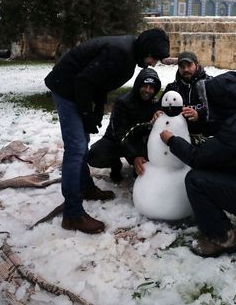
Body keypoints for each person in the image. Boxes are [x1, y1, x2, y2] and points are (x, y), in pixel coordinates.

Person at [44, 28, 170, 234]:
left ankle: (84, 186)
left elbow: (101, 84)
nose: (153, 63)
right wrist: (86, 113)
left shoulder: (128, 56)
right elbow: (84, 80)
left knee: (81, 144)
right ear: (146, 49)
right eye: (154, 57)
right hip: (66, 88)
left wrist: (96, 112)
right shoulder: (121, 53)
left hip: (78, 89)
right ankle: (72, 214)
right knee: (76, 148)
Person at [159, 72, 236, 257]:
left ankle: (222, 238)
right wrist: (196, 118)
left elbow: (198, 158)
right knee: (219, 170)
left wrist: (172, 141)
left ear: (223, 100)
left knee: (196, 180)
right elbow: (220, 126)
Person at [86, 67, 161, 183]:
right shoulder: (123, 102)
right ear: (137, 85)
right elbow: (120, 134)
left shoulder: (155, 104)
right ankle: (115, 164)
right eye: (144, 86)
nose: (147, 90)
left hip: (140, 142)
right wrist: (135, 156)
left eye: (151, 88)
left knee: (145, 170)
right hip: (117, 140)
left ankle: (140, 165)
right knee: (95, 156)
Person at [158, 51, 212, 135]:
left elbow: (221, 111)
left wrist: (199, 115)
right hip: (177, 138)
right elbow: (160, 109)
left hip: (206, 137)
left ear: (197, 65)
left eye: (189, 65)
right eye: (182, 66)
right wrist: (158, 113)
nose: (186, 69)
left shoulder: (210, 84)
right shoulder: (172, 88)